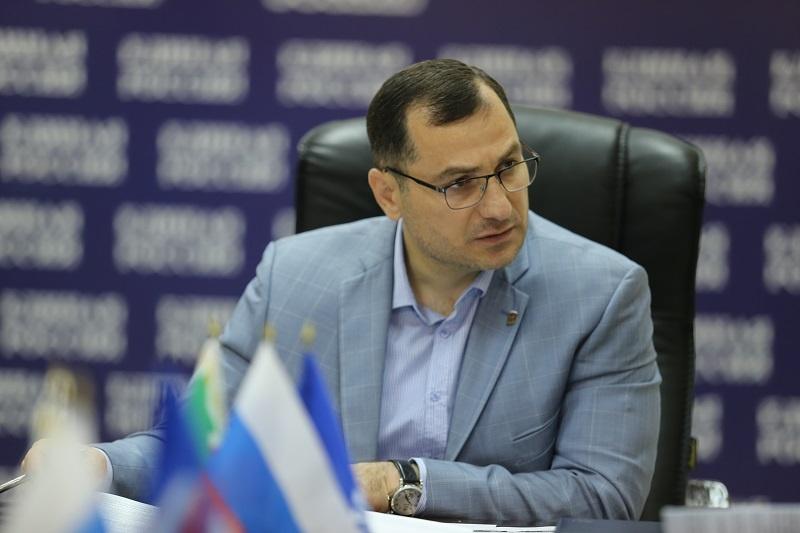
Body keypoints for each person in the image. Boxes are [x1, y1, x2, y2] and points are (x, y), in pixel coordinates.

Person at [23, 59, 661, 525]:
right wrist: (97, 465)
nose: (499, 205)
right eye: (459, 184)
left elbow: (602, 497)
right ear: (389, 194)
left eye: (509, 166)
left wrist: (404, 483)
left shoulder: (602, 294)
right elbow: (205, 441)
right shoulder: (295, 274)